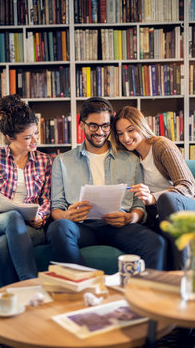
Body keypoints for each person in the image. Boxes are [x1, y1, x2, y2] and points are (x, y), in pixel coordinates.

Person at [46, 97, 166, 270]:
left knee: (156, 243)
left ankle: (143, 295)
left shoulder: (130, 160)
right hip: (80, 227)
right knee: (58, 228)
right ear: (82, 125)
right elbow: (56, 207)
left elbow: (138, 204)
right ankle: (83, 284)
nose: (100, 132)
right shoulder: (62, 161)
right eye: (93, 126)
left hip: (118, 226)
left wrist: (131, 217)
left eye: (105, 126)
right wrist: (67, 216)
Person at [0, 94, 52, 285]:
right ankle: (32, 286)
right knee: (13, 216)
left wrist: (41, 216)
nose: (35, 140)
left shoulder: (45, 161)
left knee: (3, 245)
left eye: (36, 133)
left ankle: (12, 301)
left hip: (31, 228)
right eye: (28, 137)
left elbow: (46, 199)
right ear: (9, 137)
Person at [113, 105, 195, 270]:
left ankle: (180, 274)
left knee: (165, 199)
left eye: (131, 130)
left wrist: (153, 197)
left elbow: (188, 186)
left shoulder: (161, 146)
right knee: (149, 238)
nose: (126, 137)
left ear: (141, 126)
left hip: (184, 208)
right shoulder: (130, 158)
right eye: (120, 133)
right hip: (158, 218)